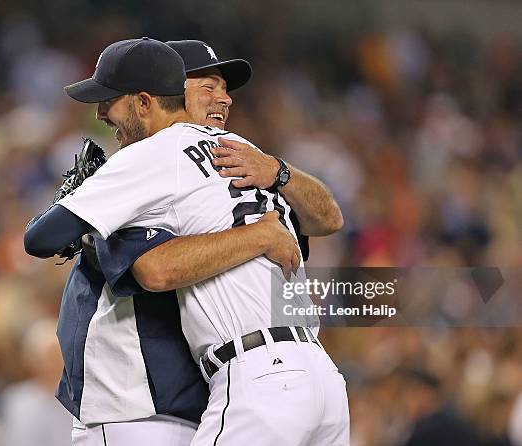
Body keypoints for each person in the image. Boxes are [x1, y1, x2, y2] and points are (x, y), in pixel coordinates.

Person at [25, 38, 348, 445]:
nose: (225, 99)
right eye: (208, 86)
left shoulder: (165, 156)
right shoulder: (240, 152)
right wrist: (260, 229)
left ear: (150, 99)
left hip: (251, 376)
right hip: (320, 377)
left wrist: (278, 172)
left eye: (223, 88)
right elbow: (326, 221)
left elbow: (51, 241)